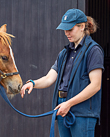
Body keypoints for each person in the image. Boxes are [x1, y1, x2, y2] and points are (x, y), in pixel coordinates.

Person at [20, 8, 104, 137]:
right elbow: (49, 78)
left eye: (70, 29)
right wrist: (33, 83)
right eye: (65, 29)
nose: (66, 33)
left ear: (82, 27)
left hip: (82, 113)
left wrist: (69, 103)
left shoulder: (94, 50)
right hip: (62, 109)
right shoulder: (64, 53)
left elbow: (96, 85)